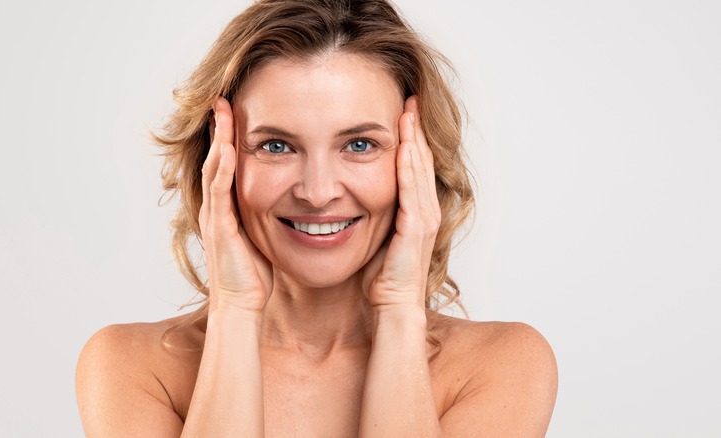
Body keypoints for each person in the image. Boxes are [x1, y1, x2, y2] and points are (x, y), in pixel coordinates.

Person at [75, 0, 558, 436]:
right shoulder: (132, 367)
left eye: (359, 144)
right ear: (217, 161)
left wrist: (398, 309)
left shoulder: (502, 364)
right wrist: (235, 310)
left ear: (418, 160)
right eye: (276, 146)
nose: (318, 192)